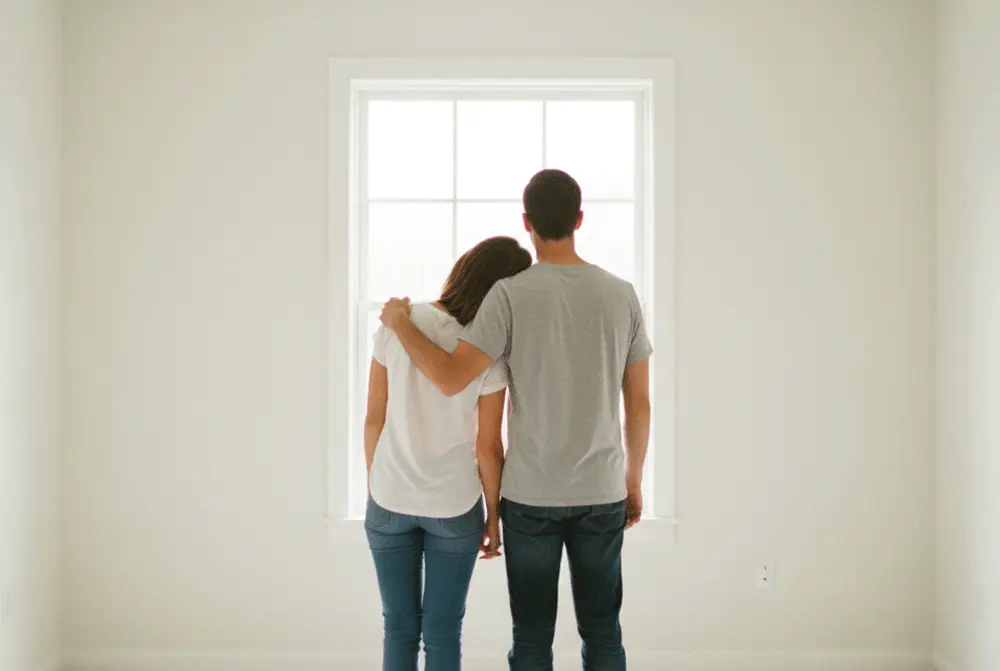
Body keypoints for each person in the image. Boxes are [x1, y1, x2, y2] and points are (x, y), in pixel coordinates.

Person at [379, 169, 653, 671]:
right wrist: (633, 480)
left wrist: (398, 323)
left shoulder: (508, 294)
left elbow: (448, 377)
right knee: (603, 632)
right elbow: (638, 402)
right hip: (601, 489)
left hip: (529, 499)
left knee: (530, 638)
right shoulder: (622, 294)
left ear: (526, 221)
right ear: (580, 219)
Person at [363, 236, 532, 671]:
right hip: (453, 507)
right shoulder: (486, 351)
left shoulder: (396, 324)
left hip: (389, 498)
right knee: (442, 631)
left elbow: (373, 421)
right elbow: (489, 447)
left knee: (397, 627)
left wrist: (378, 484)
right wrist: (493, 515)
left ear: (464, 269)